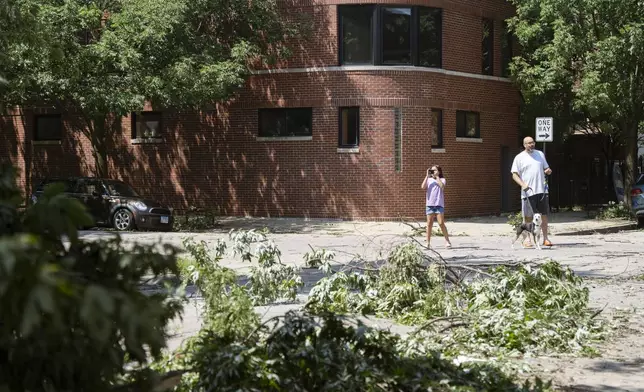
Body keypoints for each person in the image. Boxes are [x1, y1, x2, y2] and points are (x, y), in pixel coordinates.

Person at [511, 136, 553, 247]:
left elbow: (546, 168)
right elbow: (514, 175)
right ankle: (527, 240)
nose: (531, 145)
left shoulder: (540, 154)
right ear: (524, 145)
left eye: (533, 142)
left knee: (543, 215)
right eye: (529, 143)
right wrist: (523, 185)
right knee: (528, 217)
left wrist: (548, 171)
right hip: (528, 192)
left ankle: (546, 239)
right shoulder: (519, 158)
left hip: (542, 191)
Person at [421, 164, 452, 248]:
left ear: (439, 171)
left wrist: (437, 177)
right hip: (430, 204)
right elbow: (423, 187)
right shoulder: (429, 180)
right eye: (432, 170)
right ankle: (427, 242)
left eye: (434, 170)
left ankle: (447, 240)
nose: (433, 172)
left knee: (441, 223)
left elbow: (442, 186)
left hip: (439, 204)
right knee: (429, 224)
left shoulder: (442, 179)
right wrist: (427, 176)